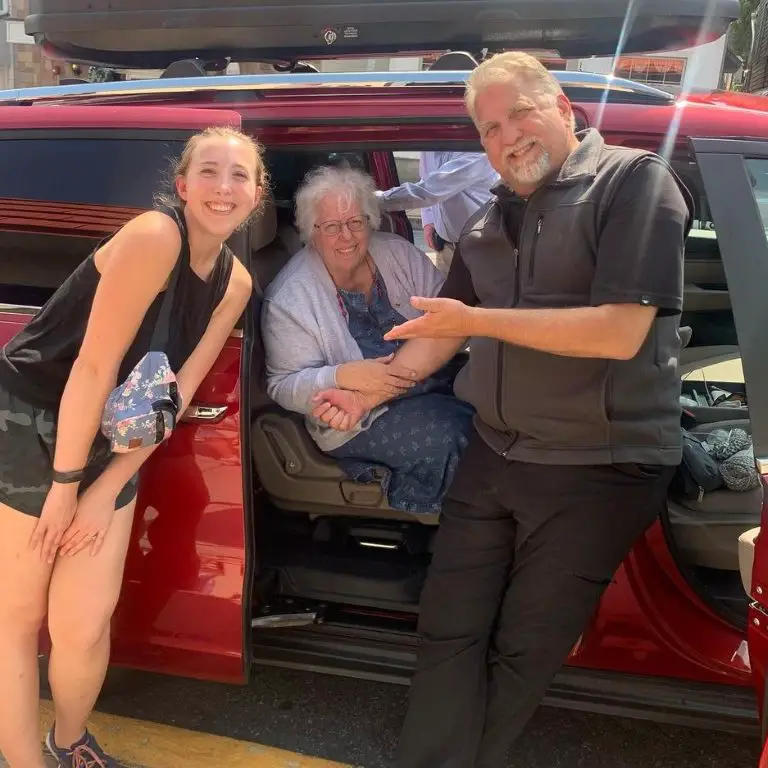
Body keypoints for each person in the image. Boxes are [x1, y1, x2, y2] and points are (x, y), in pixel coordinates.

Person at [310, 51, 694, 766]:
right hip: (496, 450)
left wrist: (481, 322)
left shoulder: (634, 184)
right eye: (488, 128)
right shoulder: (488, 220)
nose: (507, 135)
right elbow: (444, 329)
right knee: (449, 625)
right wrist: (368, 385)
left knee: (522, 647)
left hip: (596, 463)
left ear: (563, 109)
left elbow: (618, 329)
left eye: (519, 112)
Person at [0, 125, 263, 768]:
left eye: (239, 176)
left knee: (85, 621)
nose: (223, 187)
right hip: (34, 415)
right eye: (208, 171)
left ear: (258, 196)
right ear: (181, 183)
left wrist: (106, 489)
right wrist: (65, 487)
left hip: (106, 435)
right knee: (16, 614)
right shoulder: (155, 236)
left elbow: (175, 392)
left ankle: (68, 741)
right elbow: (92, 368)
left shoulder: (236, 284)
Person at [262, 166, 474, 514]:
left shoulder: (397, 253)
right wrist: (341, 376)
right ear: (312, 232)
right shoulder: (290, 297)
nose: (346, 236)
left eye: (355, 222)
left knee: (496, 413)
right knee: (459, 434)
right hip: (359, 418)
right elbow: (282, 385)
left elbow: (447, 319)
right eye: (331, 226)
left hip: (432, 380)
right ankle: (463, 536)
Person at [376, 52, 499, 273]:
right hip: (447, 247)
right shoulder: (436, 134)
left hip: (480, 253)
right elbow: (427, 179)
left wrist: (374, 200)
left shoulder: (480, 146)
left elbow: (431, 190)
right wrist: (429, 221)